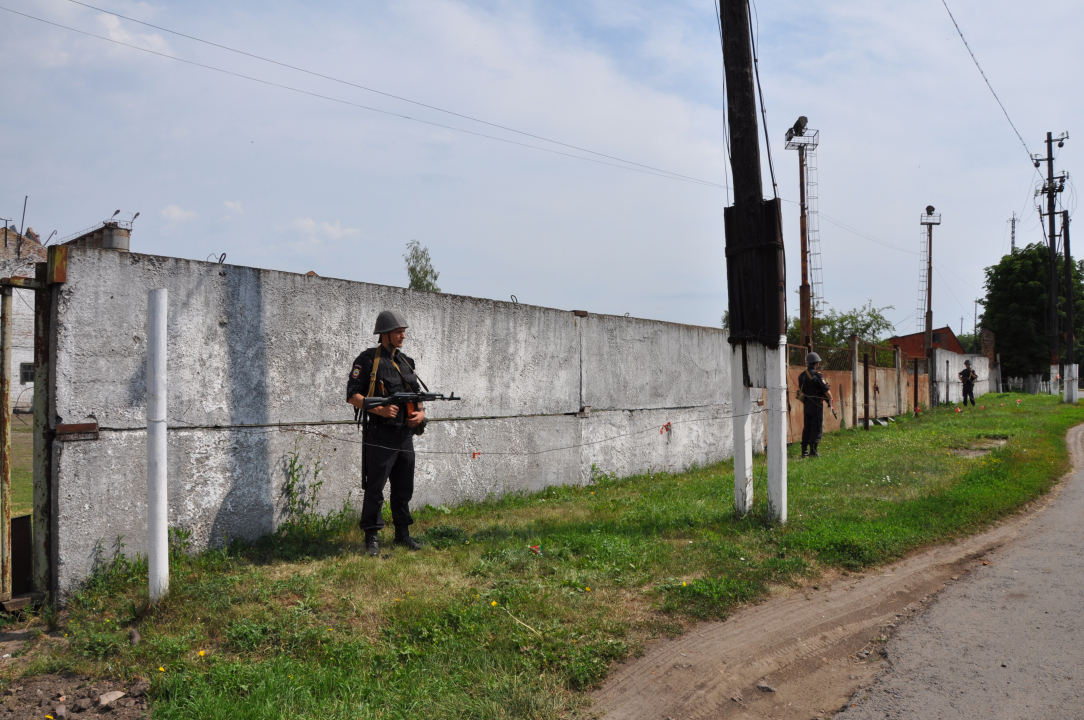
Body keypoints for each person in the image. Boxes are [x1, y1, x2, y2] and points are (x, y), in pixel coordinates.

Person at [346, 310, 427, 557]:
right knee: (376, 488)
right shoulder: (367, 361)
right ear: (385, 335)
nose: (403, 336)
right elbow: (352, 395)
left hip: (404, 435)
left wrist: (420, 413)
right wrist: (380, 410)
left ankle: (402, 534)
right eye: (398, 332)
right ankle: (372, 537)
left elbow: (416, 394)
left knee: (404, 488)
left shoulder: (406, 362)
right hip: (380, 434)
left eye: (404, 332)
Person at [797, 352, 834, 458]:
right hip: (816, 404)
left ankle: (804, 451)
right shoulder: (817, 375)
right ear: (817, 363)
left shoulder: (801, 376)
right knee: (816, 427)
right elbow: (826, 390)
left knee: (807, 427)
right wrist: (830, 400)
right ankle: (813, 451)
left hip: (807, 404)